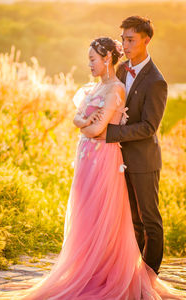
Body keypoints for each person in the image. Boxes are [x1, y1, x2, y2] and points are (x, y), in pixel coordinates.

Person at [21, 36, 185, 299]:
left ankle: (145, 277)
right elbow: (77, 116)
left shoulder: (136, 83)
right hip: (89, 157)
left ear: (107, 58)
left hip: (114, 157)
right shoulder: (106, 80)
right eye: (123, 40)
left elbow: (103, 128)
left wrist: (88, 125)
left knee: (143, 219)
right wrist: (85, 122)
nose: (89, 64)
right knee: (95, 216)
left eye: (92, 59)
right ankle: (95, 269)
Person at [94, 16, 167, 276]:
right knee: (132, 221)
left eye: (130, 40)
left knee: (150, 221)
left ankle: (149, 277)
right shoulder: (122, 70)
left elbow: (149, 127)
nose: (125, 45)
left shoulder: (156, 81)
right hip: (118, 160)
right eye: (123, 39)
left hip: (144, 161)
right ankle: (131, 277)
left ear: (146, 40)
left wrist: (112, 133)